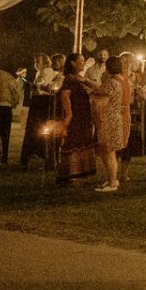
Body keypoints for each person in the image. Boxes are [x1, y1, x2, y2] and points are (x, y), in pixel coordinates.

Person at [86, 54, 130, 192]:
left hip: (109, 119)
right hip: (112, 118)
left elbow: (102, 100)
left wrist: (91, 94)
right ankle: (112, 178)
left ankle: (112, 182)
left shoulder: (111, 83)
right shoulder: (117, 81)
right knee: (106, 151)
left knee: (109, 151)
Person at [55, 53, 98, 185]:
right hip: (76, 116)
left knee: (83, 142)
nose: (83, 63)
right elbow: (65, 95)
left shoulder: (79, 79)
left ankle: (80, 172)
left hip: (84, 116)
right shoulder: (69, 79)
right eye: (81, 60)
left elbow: (96, 87)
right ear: (73, 63)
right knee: (74, 142)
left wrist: (84, 80)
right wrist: (68, 115)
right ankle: (71, 175)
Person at [0, 54, 21, 166]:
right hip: (5, 107)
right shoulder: (7, 76)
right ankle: (3, 158)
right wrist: (13, 103)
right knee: (5, 134)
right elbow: (15, 91)